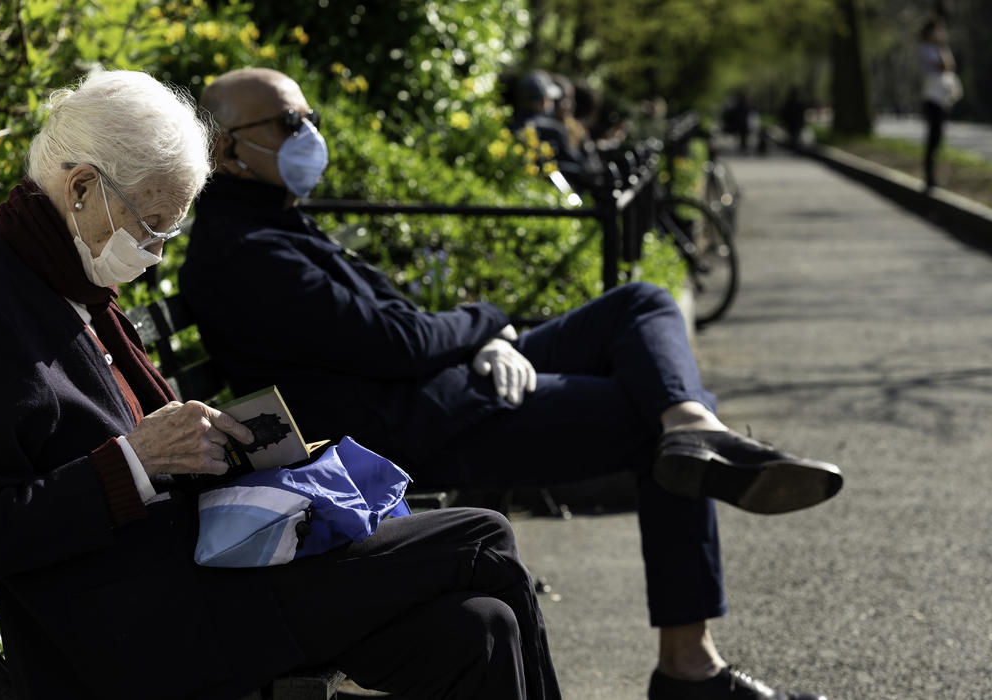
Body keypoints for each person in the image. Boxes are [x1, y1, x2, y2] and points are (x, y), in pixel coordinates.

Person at [182, 67, 843, 700]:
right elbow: (401, 343)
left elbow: (400, 325)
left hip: (445, 384)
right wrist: (487, 323)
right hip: (420, 424)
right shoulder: (246, 252)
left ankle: (691, 423)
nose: (309, 134)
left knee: (638, 305)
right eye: (289, 121)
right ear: (225, 148)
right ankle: (689, 668)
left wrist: (484, 339)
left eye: (310, 117)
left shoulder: (273, 221)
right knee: (649, 430)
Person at [0, 69, 560, 700]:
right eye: (152, 225)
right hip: (140, 631)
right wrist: (135, 461)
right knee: (482, 535)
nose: (157, 250)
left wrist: (216, 447)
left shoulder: (66, 275)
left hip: (204, 577)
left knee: (479, 632)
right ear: (80, 188)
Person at [919, 15, 961, 190]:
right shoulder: (926, 49)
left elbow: (951, 66)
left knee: (938, 138)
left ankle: (933, 175)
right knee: (933, 137)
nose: (941, 33)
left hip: (942, 98)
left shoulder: (939, 48)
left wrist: (943, 46)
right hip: (932, 98)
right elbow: (944, 66)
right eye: (938, 30)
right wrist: (942, 46)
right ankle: (929, 177)